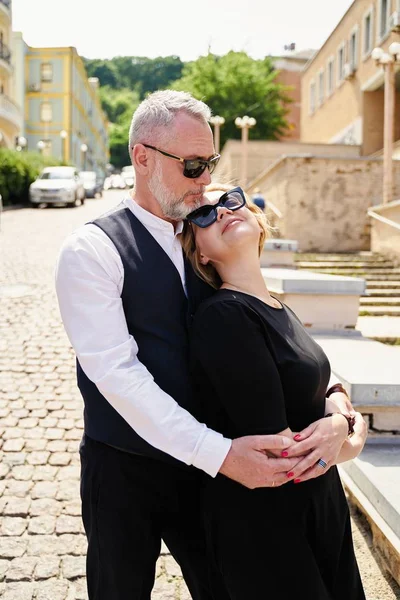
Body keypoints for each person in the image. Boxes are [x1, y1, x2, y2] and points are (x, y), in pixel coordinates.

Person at [55, 90, 359, 600]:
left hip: (214, 474)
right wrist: (219, 455)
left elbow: (277, 332)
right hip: (127, 467)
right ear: (142, 157)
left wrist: (338, 403)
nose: (204, 181)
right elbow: (116, 374)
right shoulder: (91, 249)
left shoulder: (207, 239)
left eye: (210, 163)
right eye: (193, 165)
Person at [180, 182, 368, 599]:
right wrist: (349, 435)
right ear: (201, 254)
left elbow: (322, 392)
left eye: (231, 201)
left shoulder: (281, 308)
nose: (224, 211)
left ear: (258, 221)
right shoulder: (224, 317)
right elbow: (284, 453)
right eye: (204, 215)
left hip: (320, 508)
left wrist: (340, 417)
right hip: (267, 524)